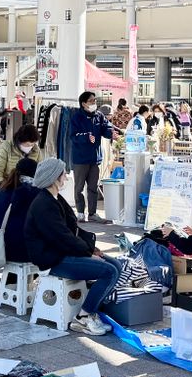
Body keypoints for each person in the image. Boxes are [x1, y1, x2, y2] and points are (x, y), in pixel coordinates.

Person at [24, 158, 120, 336]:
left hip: (62, 253)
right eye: (63, 174)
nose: (66, 178)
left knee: (116, 265)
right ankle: (83, 316)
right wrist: (87, 252)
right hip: (53, 260)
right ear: (54, 178)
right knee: (109, 271)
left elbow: (72, 229)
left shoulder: (55, 198)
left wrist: (91, 248)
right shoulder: (44, 204)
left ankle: (90, 311)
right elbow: (62, 237)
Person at [0, 158, 39, 266]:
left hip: (5, 249)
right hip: (33, 252)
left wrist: (0, 235)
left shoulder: (0, 192)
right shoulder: (39, 194)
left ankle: (13, 281)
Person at [69, 91, 113, 222]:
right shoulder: (76, 117)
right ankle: (80, 212)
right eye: (91, 101)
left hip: (95, 158)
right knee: (79, 187)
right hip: (80, 159)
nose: (94, 103)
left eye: (95, 100)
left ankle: (92, 214)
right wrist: (86, 136)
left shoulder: (99, 116)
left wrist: (111, 133)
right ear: (83, 104)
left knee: (93, 187)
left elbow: (106, 128)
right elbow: (73, 136)